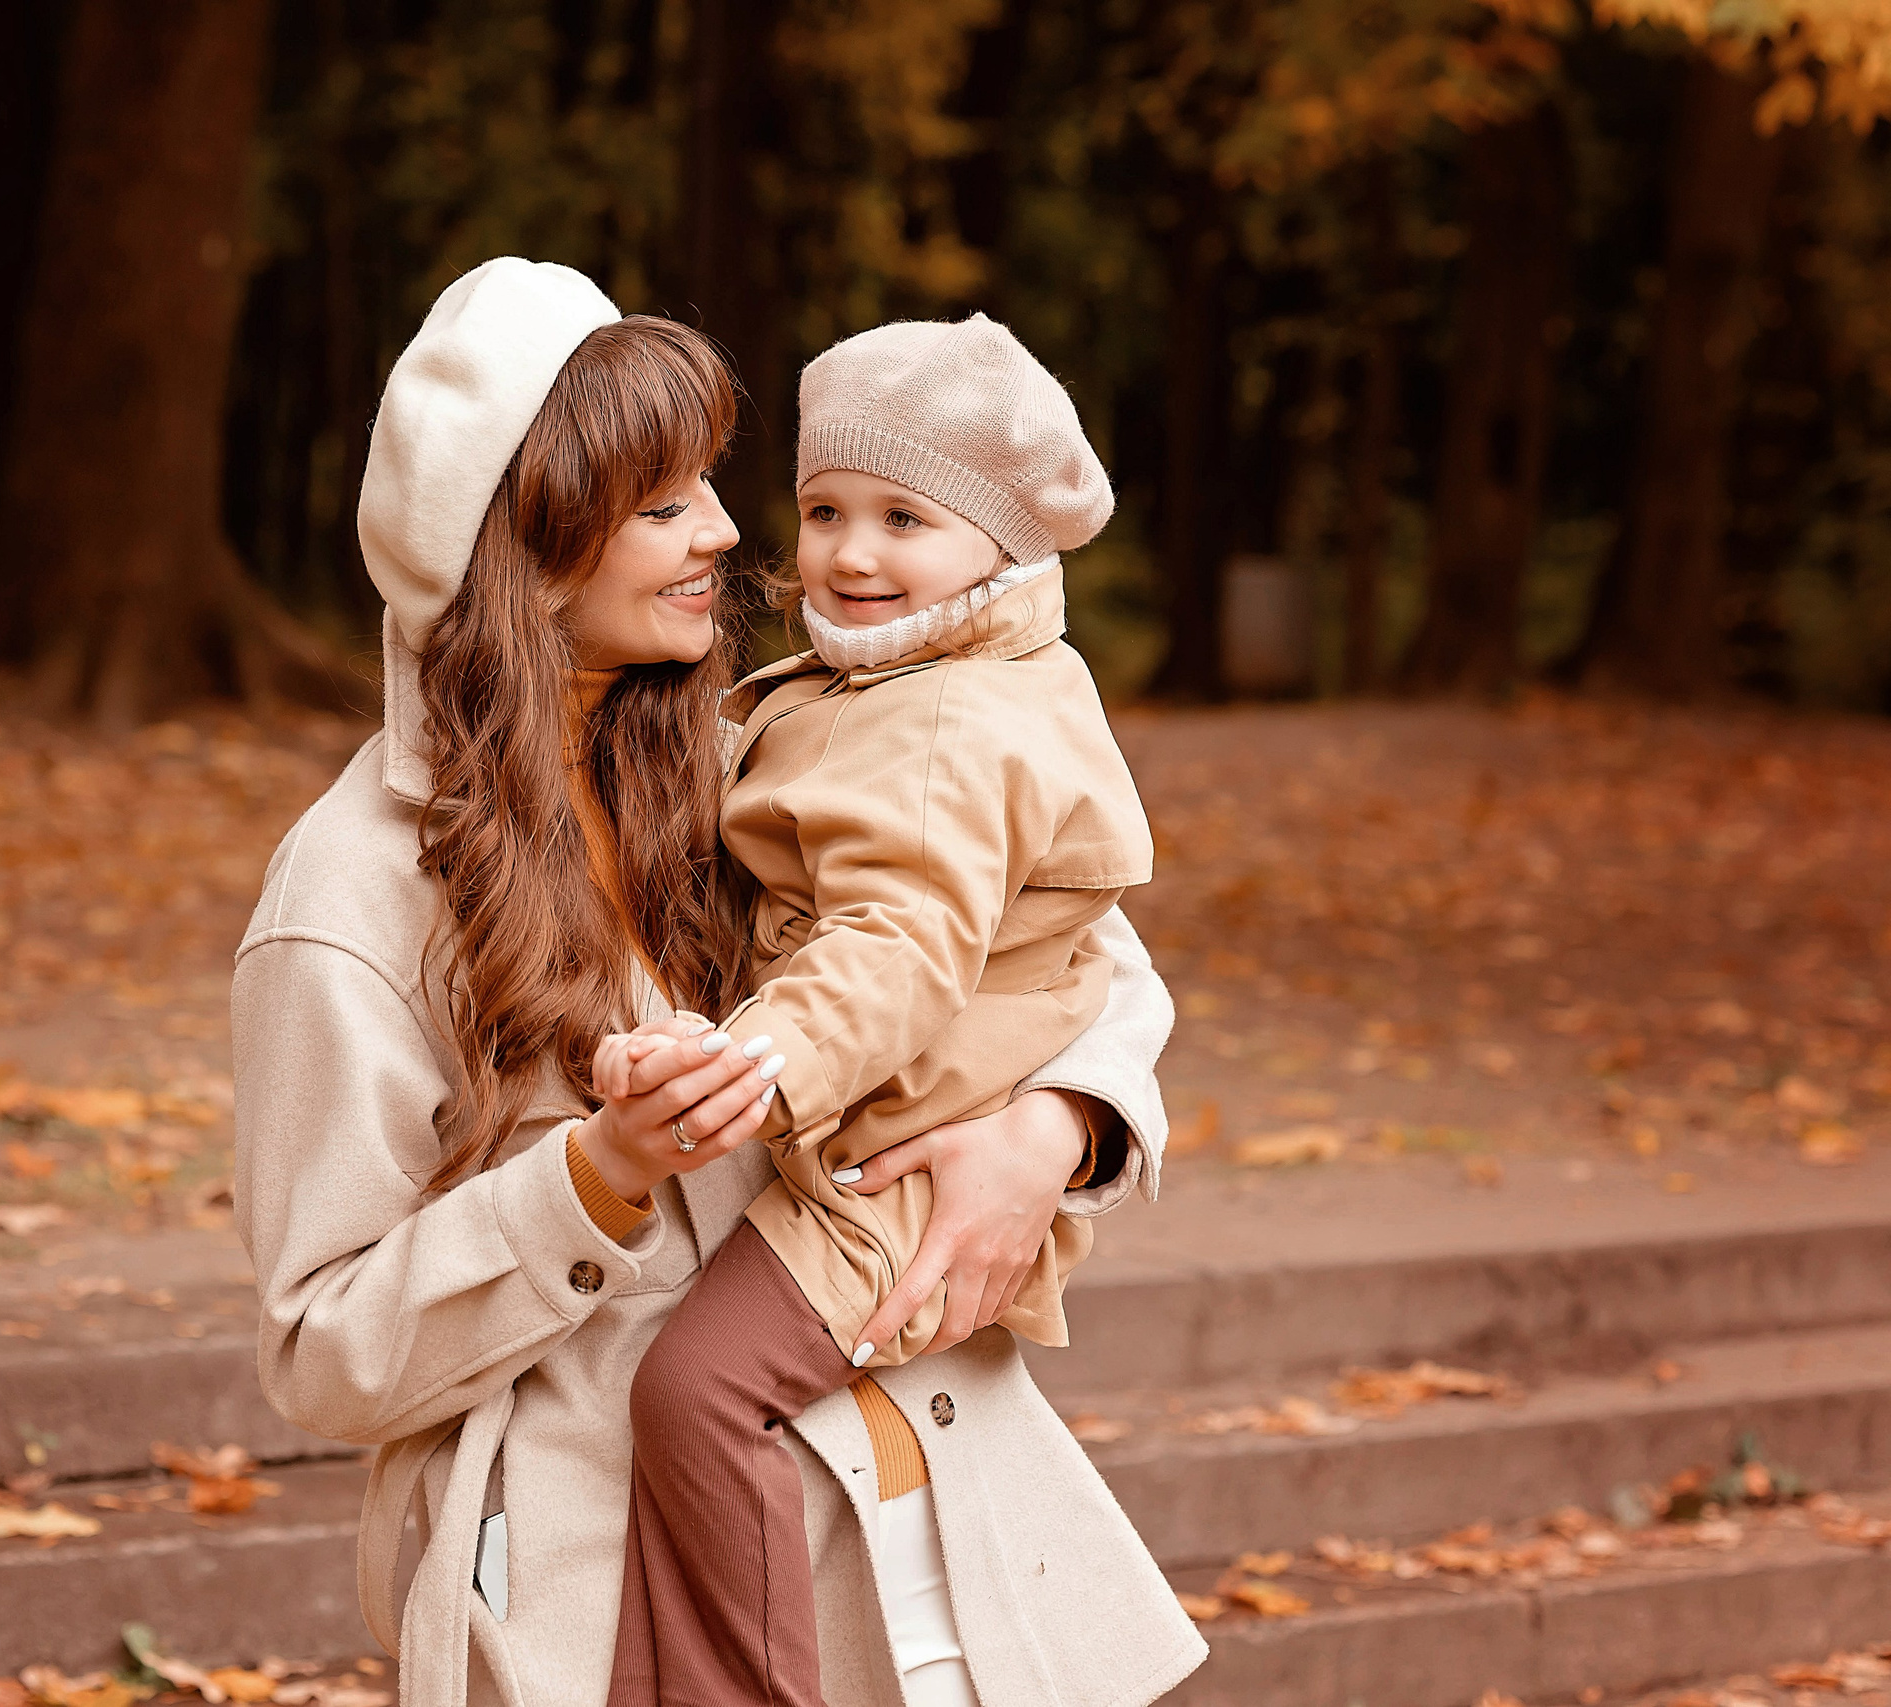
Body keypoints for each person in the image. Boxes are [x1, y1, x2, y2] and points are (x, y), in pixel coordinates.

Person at [231, 257, 1205, 1707]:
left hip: (933, 1528)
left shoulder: (747, 753)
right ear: (531, 539)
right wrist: (596, 1179)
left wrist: (1051, 1132)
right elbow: (324, 1353)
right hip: (616, 1602)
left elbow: (1071, 940)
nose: (730, 532)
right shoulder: (354, 894)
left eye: (713, 484)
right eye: (665, 503)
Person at [608, 315, 1161, 1707]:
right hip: (890, 1136)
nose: (853, 554)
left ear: (999, 544)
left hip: (893, 1172)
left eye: (906, 517)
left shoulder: (940, 731)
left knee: (698, 1392)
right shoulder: (896, 680)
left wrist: (756, 1068)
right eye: (826, 510)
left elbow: (900, 947)